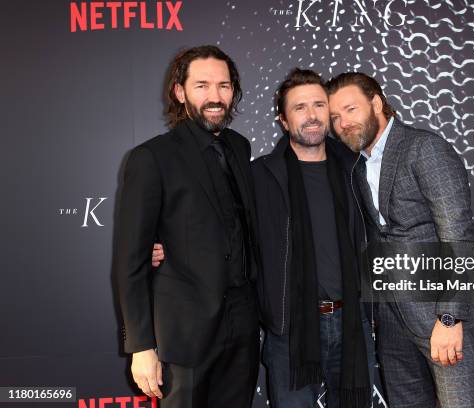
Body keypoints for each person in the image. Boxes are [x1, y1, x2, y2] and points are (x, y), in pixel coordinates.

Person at [153, 68, 376, 408]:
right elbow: (218, 224)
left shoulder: (356, 169)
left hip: (352, 325)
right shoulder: (259, 175)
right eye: (299, 107)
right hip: (289, 329)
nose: (312, 115)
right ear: (283, 120)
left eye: (319, 105)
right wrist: (168, 246)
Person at [326, 72, 474, 408]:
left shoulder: (424, 149)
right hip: (393, 323)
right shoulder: (358, 167)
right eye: (335, 117)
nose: (342, 123)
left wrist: (450, 318)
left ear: (376, 103)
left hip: (441, 320)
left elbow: (458, 236)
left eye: (350, 110)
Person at [113, 45, 259, 407]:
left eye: (224, 86)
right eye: (202, 85)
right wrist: (141, 346)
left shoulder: (240, 147)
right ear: (180, 92)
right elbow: (130, 261)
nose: (215, 96)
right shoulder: (152, 157)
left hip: (242, 328)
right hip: (185, 333)